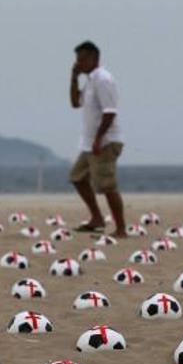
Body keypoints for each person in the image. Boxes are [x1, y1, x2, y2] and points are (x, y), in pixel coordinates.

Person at [69, 40, 126, 238]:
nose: (79, 63)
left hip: (105, 142)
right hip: (89, 143)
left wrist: (99, 139)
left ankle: (121, 229)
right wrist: (74, 78)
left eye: (82, 59)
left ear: (94, 58)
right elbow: (75, 103)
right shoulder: (90, 81)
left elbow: (110, 112)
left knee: (108, 186)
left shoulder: (103, 79)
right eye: (77, 60)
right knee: (77, 177)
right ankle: (97, 218)